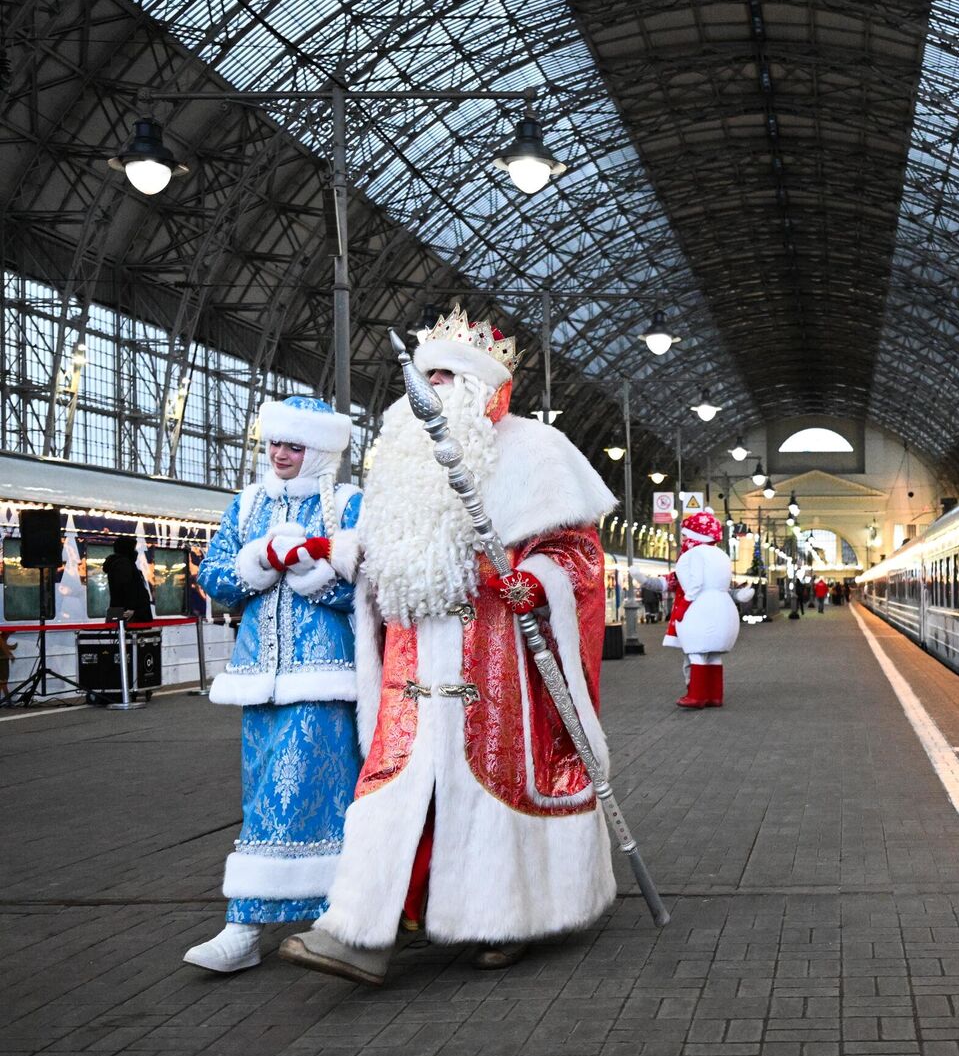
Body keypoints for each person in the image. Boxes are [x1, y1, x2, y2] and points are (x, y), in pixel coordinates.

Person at [279, 306, 617, 986]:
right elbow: (383, 552)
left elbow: (578, 555)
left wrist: (534, 577)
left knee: (487, 788)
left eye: (446, 375)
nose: (431, 387)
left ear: (481, 386)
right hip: (412, 663)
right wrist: (348, 555)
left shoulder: (537, 452)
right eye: (424, 375)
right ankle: (363, 928)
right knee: (400, 789)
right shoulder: (399, 459)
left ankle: (507, 919)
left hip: (497, 668)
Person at [187, 396, 363, 973]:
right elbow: (214, 580)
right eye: (275, 443)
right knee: (266, 790)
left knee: (294, 793)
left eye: (294, 445)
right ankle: (334, 914)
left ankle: (245, 924)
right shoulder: (246, 505)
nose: (281, 454)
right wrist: (256, 559)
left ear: (319, 451)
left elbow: (373, 593)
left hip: (325, 678)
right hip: (256, 679)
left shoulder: (346, 506)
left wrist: (315, 577)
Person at [671, 508, 738, 708]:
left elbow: (695, 583)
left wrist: (684, 604)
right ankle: (714, 695)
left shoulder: (692, 555)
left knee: (697, 652)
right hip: (724, 607)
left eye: (684, 534)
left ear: (693, 535)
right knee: (714, 655)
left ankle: (697, 696)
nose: (683, 539)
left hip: (701, 608)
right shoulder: (722, 555)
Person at [101, 537, 153, 622]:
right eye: (133, 548)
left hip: (122, 611)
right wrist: (132, 608)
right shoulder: (124, 564)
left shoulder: (118, 563)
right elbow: (128, 587)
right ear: (127, 549)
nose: (135, 551)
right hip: (130, 614)